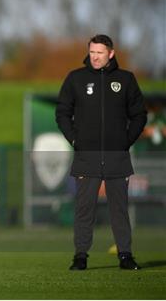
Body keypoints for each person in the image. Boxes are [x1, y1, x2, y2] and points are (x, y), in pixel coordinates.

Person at [56, 34, 147, 270]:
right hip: (87, 156)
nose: (95, 57)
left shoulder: (126, 80)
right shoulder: (76, 78)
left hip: (117, 156)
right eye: (92, 52)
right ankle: (80, 256)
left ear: (111, 53)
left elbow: (140, 114)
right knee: (84, 209)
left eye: (100, 52)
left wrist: (125, 141)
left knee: (120, 209)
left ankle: (125, 256)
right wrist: (75, 139)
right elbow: (62, 112)